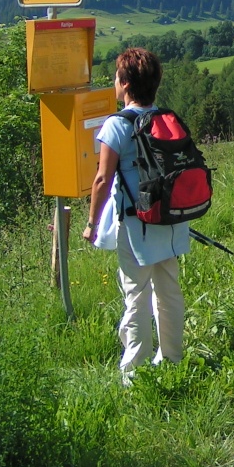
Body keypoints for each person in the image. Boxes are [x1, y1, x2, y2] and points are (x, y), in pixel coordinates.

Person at [83, 47, 190, 381]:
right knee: (168, 290)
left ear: (126, 83)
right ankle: (173, 358)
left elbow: (102, 180)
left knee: (136, 294)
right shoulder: (166, 119)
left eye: (117, 77)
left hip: (136, 222)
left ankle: (134, 371)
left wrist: (91, 224)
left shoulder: (116, 125)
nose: (114, 82)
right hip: (169, 218)